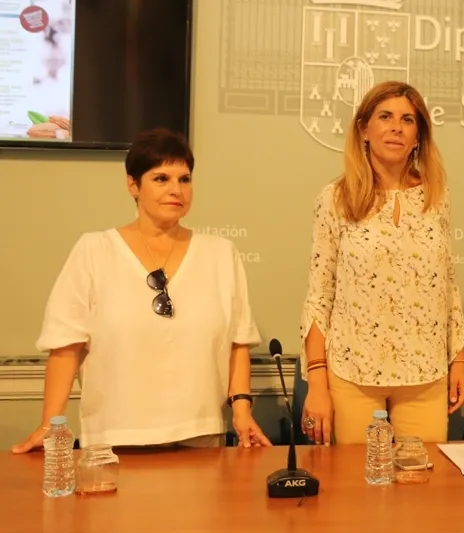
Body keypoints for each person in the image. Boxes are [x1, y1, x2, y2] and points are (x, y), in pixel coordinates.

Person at [11, 128, 270, 453]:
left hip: (201, 434)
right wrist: (50, 423)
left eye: (185, 179)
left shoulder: (220, 253)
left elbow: (237, 343)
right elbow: (66, 345)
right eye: (161, 179)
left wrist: (242, 410)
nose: (176, 190)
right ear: (133, 185)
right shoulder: (94, 250)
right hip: (116, 437)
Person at [299, 81, 464, 445]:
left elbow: (447, 285)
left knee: (422, 489)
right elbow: (319, 294)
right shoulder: (335, 198)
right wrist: (317, 382)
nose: (396, 127)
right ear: (364, 129)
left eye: (407, 119)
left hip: (425, 374)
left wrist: (458, 360)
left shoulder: (437, 195)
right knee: (357, 491)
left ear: (418, 135)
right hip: (352, 373)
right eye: (385, 117)